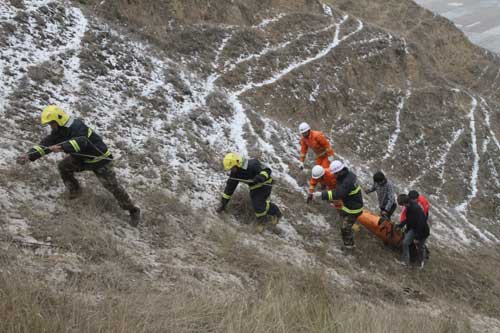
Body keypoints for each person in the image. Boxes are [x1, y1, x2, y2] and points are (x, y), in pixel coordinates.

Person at [16, 105, 141, 227]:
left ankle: (133, 210)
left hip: (100, 161)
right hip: (81, 159)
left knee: (113, 187)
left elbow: (81, 142)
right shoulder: (58, 130)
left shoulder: (77, 126)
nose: (51, 126)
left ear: (58, 119)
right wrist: (29, 155)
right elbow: (46, 145)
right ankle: (75, 192)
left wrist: (61, 147)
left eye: (51, 123)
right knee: (64, 166)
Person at [217, 152, 282, 233]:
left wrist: (260, 177)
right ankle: (276, 213)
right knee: (258, 204)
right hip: (254, 187)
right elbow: (229, 189)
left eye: (232, 168)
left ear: (237, 163)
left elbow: (267, 170)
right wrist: (223, 204)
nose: (232, 170)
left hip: (265, 184)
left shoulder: (252, 164)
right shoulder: (234, 174)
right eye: (230, 169)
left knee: (258, 203)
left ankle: (262, 222)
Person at [311, 160, 363, 250]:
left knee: (345, 228)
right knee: (342, 216)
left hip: (353, 208)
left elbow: (339, 193)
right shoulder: (345, 176)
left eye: (335, 174)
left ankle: (349, 246)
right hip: (348, 203)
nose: (334, 175)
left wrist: (322, 194)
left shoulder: (347, 182)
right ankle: (352, 226)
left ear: (340, 171)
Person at [395, 194, 430, 268]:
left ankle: (422, 262)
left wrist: (417, 237)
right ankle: (405, 261)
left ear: (404, 203)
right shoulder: (409, 207)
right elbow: (408, 219)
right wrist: (400, 225)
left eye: (401, 204)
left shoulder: (415, 209)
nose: (402, 206)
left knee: (420, 246)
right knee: (405, 242)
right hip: (414, 228)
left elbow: (420, 223)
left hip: (422, 231)